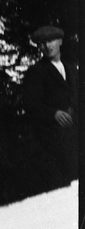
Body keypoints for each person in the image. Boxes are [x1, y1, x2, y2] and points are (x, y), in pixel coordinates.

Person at [22, 25, 78, 193]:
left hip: (76, 131)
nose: (47, 46)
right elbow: (31, 104)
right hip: (54, 137)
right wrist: (53, 113)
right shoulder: (36, 72)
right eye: (42, 43)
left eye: (51, 41)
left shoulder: (72, 69)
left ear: (60, 41)